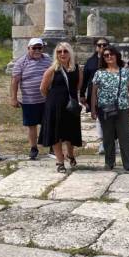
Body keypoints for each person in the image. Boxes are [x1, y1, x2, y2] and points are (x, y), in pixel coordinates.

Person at [91, 45, 129, 172]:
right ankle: (109, 162)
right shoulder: (99, 73)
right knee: (108, 136)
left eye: (111, 54)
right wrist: (93, 109)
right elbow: (94, 92)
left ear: (117, 56)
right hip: (104, 108)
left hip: (122, 107)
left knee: (125, 136)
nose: (109, 57)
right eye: (106, 55)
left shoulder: (125, 72)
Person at [39, 42, 83, 173]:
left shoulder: (77, 69)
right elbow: (43, 88)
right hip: (55, 106)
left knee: (70, 133)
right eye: (59, 52)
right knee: (56, 134)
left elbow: (78, 87)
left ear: (70, 53)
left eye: (65, 51)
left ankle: (70, 154)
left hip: (70, 106)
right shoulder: (52, 70)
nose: (62, 54)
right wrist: (54, 99)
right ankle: (60, 161)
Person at [10, 37, 52, 160]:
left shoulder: (48, 59)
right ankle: (33, 148)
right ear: (29, 48)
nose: (37, 50)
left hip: (46, 99)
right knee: (32, 125)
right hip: (29, 100)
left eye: (40, 47)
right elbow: (15, 81)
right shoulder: (21, 62)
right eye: (34, 48)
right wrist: (13, 98)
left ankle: (52, 146)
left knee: (49, 123)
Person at [81, 38, 110, 154]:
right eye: (99, 45)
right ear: (96, 47)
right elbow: (85, 78)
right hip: (94, 93)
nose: (102, 47)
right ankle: (103, 142)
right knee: (99, 117)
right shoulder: (90, 61)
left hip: (110, 93)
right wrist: (82, 94)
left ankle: (114, 141)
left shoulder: (112, 58)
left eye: (104, 45)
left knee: (112, 117)